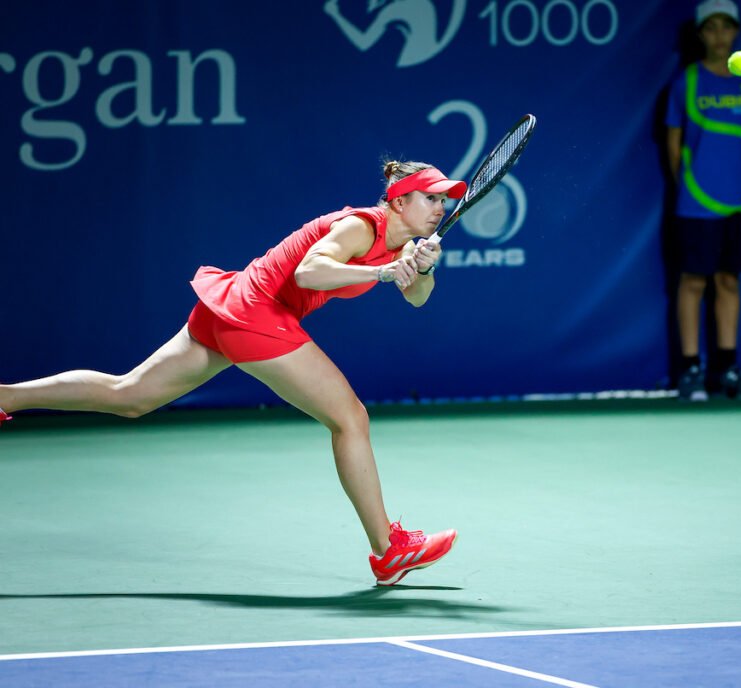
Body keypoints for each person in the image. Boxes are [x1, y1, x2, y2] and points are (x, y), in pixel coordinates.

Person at [0, 161, 462, 586]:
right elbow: (308, 272)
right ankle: (387, 550)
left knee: (131, 395)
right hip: (258, 312)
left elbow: (417, 297)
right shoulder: (361, 227)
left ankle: (6, 397)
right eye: (431, 198)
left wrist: (422, 269)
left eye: (444, 200)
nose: (440, 208)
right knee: (350, 419)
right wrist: (384, 273)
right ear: (399, 201)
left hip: (233, 305)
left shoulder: (402, 244)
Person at [664, 0, 741, 401]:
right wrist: (692, 188)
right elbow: (674, 148)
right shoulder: (685, 84)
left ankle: (727, 370)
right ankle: (690, 371)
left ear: (736, 33)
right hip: (697, 202)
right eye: (711, 28)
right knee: (692, 282)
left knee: (728, 281)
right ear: (701, 34)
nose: (720, 36)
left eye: (727, 27)